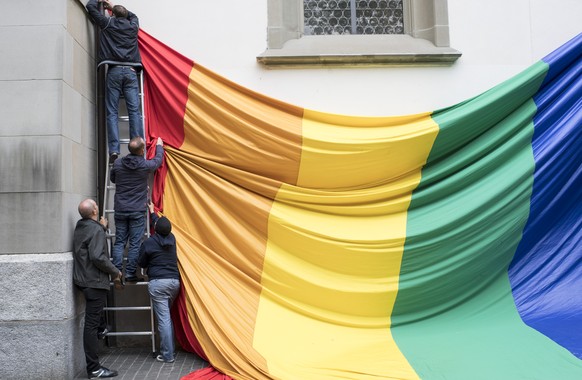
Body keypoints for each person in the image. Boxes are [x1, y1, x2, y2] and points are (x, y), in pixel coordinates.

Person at [85, 0, 143, 164]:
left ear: (112, 14)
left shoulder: (107, 23)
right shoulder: (133, 26)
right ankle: (137, 145)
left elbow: (90, 7)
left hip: (114, 71)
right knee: (134, 112)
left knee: (112, 112)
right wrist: (114, 8)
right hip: (131, 72)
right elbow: (134, 16)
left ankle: (114, 150)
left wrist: (100, 1)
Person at [73, 199, 123, 378]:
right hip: (94, 282)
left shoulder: (81, 226)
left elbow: (90, 244)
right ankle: (94, 368)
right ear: (95, 210)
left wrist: (100, 228)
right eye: (96, 205)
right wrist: (116, 271)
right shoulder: (95, 230)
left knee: (95, 323)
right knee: (91, 327)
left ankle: (103, 329)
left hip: (84, 281)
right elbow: (97, 257)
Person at [111, 136, 164, 282]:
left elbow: (113, 179)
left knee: (120, 241)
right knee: (135, 243)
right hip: (137, 210)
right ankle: (129, 274)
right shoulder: (144, 165)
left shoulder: (118, 163)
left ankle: (116, 273)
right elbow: (158, 161)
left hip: (121, 208)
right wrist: (159, 146)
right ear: (142, 151)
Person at [138, 202, 180, 363]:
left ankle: (168, 355)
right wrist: (153, 212)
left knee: (163, 319)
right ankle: (169, 349)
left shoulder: (149, 243)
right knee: (166, 318)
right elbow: (161, 226)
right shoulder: (172, 239)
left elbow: (141, 263)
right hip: (174, 283)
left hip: (158, 284)